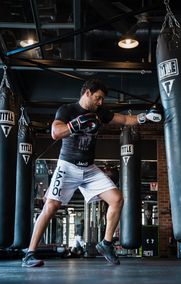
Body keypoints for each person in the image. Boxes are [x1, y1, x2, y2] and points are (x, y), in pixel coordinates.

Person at [22, 79, 161, 267]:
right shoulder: (67, 110)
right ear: (87, 93)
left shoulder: (99, 113)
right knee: (51, 206)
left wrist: (145, 117)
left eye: (102, 99)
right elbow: (55, 132)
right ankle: (30, 254)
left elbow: (126, 120)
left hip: (89, 169)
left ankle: (106, 243)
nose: (100, 102)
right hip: (67, 166)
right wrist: (75, 125)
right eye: (98, 98)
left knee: (117, 199)